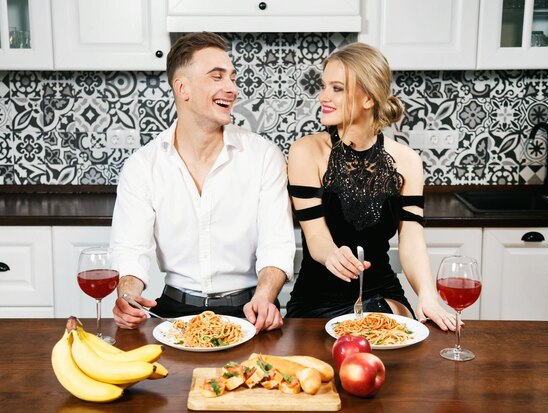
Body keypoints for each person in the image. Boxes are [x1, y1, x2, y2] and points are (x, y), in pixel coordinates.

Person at [110, 32, 296, 333]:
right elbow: (131, 249)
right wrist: (127, 296)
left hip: (247, 311)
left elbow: (277, 244)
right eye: (217, 77)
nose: (232, 89)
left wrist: (264, 297)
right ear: (182, 88)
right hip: (172, 313)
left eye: (232, 78)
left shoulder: (264, 156)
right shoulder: (143, 166)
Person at [285, 42, 457, 331]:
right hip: (317, 300)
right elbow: (315, 238)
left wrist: (427, 295)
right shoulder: (305, 152)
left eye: (336, 88)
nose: (323, 96)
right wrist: (332, 254)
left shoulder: (407, 161)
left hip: (381, 294)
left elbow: (412, 241)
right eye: (324, 86)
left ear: (368, 98)